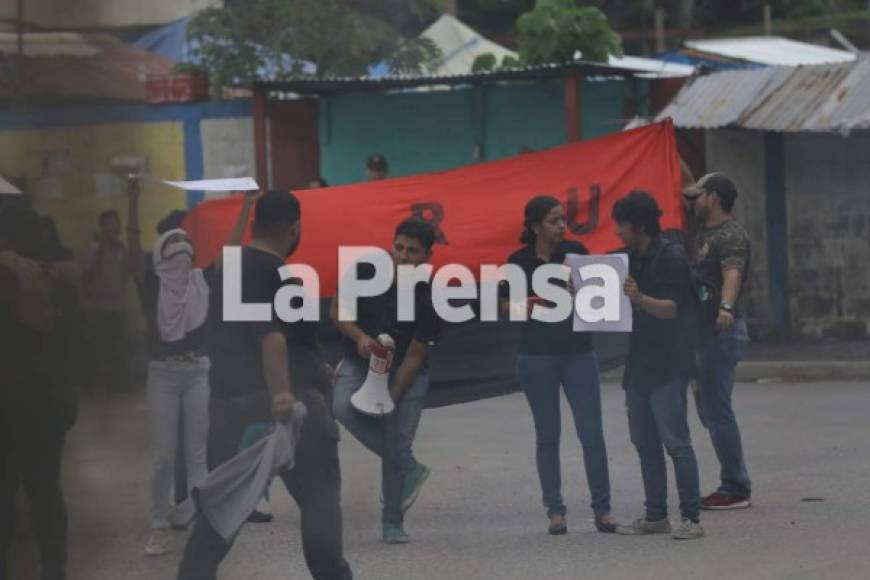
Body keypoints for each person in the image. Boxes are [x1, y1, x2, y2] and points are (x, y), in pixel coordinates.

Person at [177, 190, 353, 580]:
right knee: (320, 502)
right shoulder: (275, 275)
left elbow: (229, 257)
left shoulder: (226, 268)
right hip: (287, 407)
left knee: (221, 509)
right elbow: (272, 339)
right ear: (295, 229)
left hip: (229, 405)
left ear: (254, 225)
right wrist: (283, 396)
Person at [127, 180, 258, 556]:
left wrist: (246, 207)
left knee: (198, 453)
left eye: (186, 252)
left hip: (199, 370)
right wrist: (134, 199)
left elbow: (230, 251)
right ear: (160, 260)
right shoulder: (151, 285)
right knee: (164, 456)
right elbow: (133, 246)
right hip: (163, 375)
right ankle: (159, 523)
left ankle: (202, 521)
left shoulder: (201, 282)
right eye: (172, 254)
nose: (180, 259)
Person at [499, 196, 617, 536]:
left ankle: (603, 509)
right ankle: (555, 511)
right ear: (536, 226)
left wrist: (579, 289)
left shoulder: (576, 252)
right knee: (548, 435)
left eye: (563, 219)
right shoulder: (518, 262)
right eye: (554, 221)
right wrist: (530, 304)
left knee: (592, 433)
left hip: (578, 353)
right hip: (536, 357)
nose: (562, 226)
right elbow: (504, 305)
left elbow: (599, 298)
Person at [330, 218, 441, 544]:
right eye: (400, 247)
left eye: (413, 251)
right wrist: (360, 337)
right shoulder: (364, 268)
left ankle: (392, 521)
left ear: (427, 255)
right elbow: (337, 310)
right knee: (340, 406)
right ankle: (410, 467)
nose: (404, 256)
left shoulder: (429, 293)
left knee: (395, 435)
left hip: (406, 371)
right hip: (358, 361)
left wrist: (390, 396)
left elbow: (416, 355)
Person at [611, 191, 704, 541]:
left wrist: (638, 298)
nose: (617, 232)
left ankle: (692, 519)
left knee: (676, 443)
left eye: (621, 226)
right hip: (638, 363)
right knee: (644, 443)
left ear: (638, 225)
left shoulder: (671, 257)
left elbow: (673, 309)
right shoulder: (629, 258)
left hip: (669, 363)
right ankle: (655, 516)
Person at [1, 205, 77, 580]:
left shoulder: (6, 274)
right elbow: (70, 341)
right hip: (46, 400)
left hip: (11, 402)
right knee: (45, 489)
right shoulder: (51, 278)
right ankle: (53, 567)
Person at [684, 172, 752, 510]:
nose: (692, 201)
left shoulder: (730, 235)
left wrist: (726, 306)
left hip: (721, 331)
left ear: (714, 197)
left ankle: (735, 487)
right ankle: (733, 481)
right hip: (702, 332)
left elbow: (733, 272)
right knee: (709, 410)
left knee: (716, 409)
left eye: (698, 195)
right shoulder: (704, 231)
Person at [79, 208, 130, 394]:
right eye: (110, 224)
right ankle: (97, 386)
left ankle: (116, 386)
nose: (115, 228)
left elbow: (125, 275)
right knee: (99, 350)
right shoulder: (94, 250)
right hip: (98, 309)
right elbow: (85, 276)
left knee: (116, 349)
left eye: (116, 224)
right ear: (103, 227)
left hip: (117, 307)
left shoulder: (121, 249)